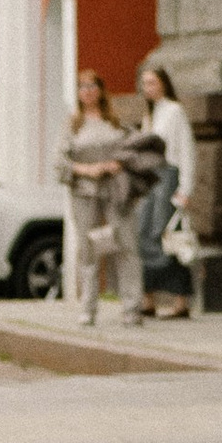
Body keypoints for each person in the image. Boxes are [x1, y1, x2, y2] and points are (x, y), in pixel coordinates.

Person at [59, 71, 147, 325]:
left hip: (115, 192)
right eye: (82, 87)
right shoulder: (72, 124)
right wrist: (87, 169)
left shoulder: (115, 121)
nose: (87, 91)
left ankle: (132, 307)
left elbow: (134, 150)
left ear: (100, 90)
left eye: (92, 86)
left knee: (125, 243)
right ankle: (88, 307)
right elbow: (60, 161)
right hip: (84, 191)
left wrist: (117, 163)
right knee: (88, 248)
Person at [128, 59, 196, 321]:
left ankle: (181, 301)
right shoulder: (149, 114)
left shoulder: (174, 111)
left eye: (152, 82)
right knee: (144, 233)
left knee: (167, 237)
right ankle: (148, 298)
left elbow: (186, 150)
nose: (148, 88)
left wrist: (185, 188)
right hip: (149, 179)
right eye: (144, 83)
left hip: (168, 177)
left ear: (164, 84)